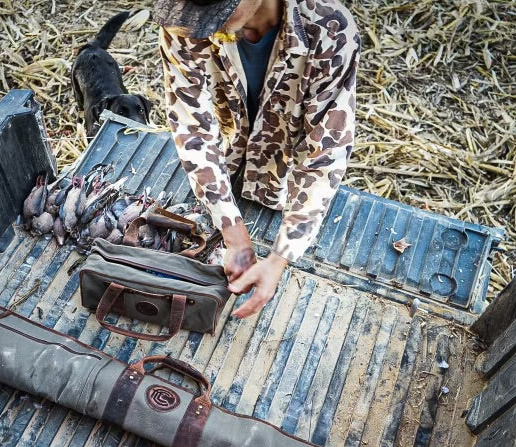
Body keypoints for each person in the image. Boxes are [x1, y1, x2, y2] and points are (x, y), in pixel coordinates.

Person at [152, 0, 360, 318]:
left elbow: (324, 153)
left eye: (216, 8)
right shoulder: (187, 21)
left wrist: (281, 256)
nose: (201, 25)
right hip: (221, 165)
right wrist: (232, 231)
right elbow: (191, 126)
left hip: (285, 178)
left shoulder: (329, 30)